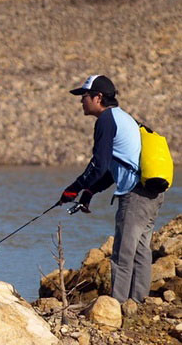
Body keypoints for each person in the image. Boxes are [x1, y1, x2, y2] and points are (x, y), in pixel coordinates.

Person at [60, 74, 163, 304]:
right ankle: (137, 303)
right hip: (151, 193)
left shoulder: (106, 120)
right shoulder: (122, 117)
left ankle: (116, 307)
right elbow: (111, 168)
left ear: (98, 97)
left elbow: (98, 165)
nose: (81, 101)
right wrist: (89, 192)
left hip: (135, 196)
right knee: (140, 252)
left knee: (122, 255)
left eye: (84, 96)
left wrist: (74, 188)